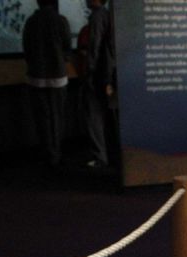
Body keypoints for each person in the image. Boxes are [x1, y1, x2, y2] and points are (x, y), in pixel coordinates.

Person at [23, 0, 72, 167]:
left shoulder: (31, 22)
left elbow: (27, 49)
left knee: (42, 117)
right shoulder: (61, 21)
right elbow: (67, 46)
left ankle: (47, 152)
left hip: (36, 76)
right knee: (57, 116)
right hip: (58, 76)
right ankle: (56, 152)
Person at [83, 0, 116, 168]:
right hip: (107, 73)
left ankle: (100, 156)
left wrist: (89, 70)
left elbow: (94, 46)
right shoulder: (108, 15)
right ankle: (108, 154)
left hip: (98, 74)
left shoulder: (97, 16)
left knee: (94, 114)